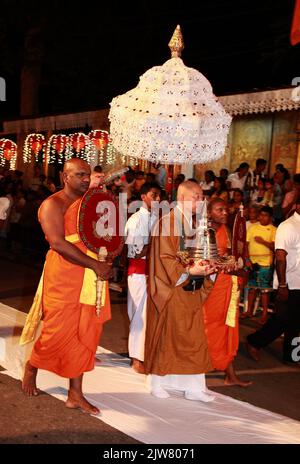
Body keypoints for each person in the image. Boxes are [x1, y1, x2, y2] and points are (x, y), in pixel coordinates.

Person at [21, 159, 112, 415]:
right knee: (56, 329)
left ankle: (75, 394)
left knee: (86, 331)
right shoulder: (53, 204)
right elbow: (58, 242)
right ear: (65, 176)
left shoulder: (91, 204)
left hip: (92, 272)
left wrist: (108, 255)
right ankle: (32, 365)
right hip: (64, 274)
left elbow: (104, 235)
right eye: (80, 174)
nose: (86, 179)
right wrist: (94, 265)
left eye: (88, 175)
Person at [144, 181, 216, 402]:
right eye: (197, 196)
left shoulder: (192, 224)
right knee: (168, 335)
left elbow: (199, 252)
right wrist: (188, 270)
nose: (201, 201)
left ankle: (193, 387)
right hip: (172, 287)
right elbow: (164, 257)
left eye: (202, 197)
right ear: (183, 197)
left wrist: (208, 268)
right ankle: (157, 381)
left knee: (193, 337)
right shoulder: (168, 222)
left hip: (191, 287)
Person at [203, 198, 252, 387]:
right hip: (213, 288)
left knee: (228, 328)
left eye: (225, 210)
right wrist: (232, 264)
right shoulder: (206, 233)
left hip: (229, 286)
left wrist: (241, 264)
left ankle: (230, 374)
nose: (224, 213)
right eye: (219, 210)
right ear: (209, 213)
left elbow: (236, 254)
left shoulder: (228, 230)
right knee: (209, 328)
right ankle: (197, 370)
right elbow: (209, 262)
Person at [246, 196, 300, 366]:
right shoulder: (288, 226)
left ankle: (292, 355)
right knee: (282, 319)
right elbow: (280, 257)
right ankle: (255, 341)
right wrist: (282, 284)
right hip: (289, 281)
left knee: (296, 321)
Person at [125, 182, 161, 373]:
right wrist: (155, 243)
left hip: (154, 272)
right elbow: (135, 252)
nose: (157, 200)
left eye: (159, 196)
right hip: (138, 273)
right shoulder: (136, 220)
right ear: (143, 197)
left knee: (149, 316)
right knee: (139, 316)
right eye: (154, 195)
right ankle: (136, 359)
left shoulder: (156, 218)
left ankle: (145, 353)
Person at [241, 206, 276, 324]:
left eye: (265, 215)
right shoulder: (252, 227)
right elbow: (245, 245)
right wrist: (247, 259)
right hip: (252, 262)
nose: (261, 217)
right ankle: (248, 311)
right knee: (251, 288)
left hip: (265, 263)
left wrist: (263, 242)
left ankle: (264, 314)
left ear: (270, 217)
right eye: (260, 215)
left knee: (264, 291)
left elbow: (275, 247)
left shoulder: (274, 230)